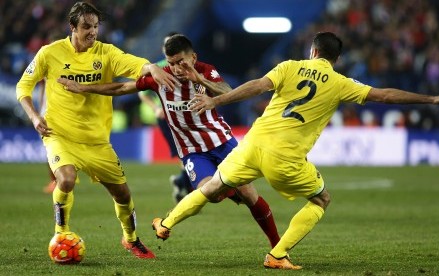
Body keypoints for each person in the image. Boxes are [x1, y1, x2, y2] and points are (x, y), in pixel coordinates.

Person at [147, 32, 439, 270]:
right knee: (322, 199)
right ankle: (277, 254)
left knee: (214, 185)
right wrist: (430, 99)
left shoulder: (289, 67)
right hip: (285, 158)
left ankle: (166, 224)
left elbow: (255, 86)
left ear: (312, 51)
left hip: (253, 144)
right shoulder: (339, 82)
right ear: (334, 59)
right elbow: (386, 96)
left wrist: (215, 101)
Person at [57, 34, 281, 249]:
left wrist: (200, 79)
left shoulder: (205, 71)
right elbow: (121, 87)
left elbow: (227, 90)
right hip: (193, 151)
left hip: (221, 142)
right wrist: (83, 88)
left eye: (181, 62)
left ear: (193, 58)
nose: (176, 68)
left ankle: (277, 248)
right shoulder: (161, 77)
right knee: (211, 194)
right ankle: (229, 189)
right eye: (172, 63)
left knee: (249, 194)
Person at [16, 1, 178, 259]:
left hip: (97, 142)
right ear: (72, 27)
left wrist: (152, 68)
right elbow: (23, 87)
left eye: (95, 27)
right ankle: (61, 232)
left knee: (123, 194)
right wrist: (35, 116)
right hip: (60, 134)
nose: (92, 32)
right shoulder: (50, 53)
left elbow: (137, 64)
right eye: (86, 27)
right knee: (66, 179)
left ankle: (131, 239)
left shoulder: (106, 53)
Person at [138, 31, 192, 203]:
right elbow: (141, 93)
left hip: (187, 117)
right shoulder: (157, 68)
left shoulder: (189, 66)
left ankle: (182, 183)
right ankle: (188, 187)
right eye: (167, 44)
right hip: (167, 119)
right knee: (185, 154)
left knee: (191, 153)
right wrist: (156, 108)